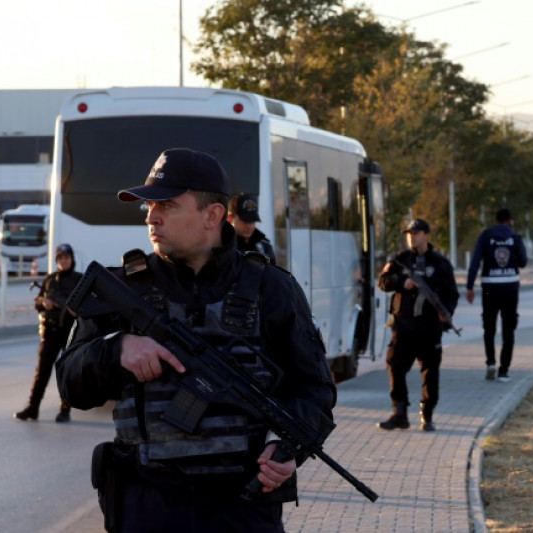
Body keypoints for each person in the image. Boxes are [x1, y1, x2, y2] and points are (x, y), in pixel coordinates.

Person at [56, 148, 336, 533]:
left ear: (212, 216)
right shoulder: (123, 288)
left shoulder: (272, 289)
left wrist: (286, 452)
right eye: (148, 206)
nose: (152, 216)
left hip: (241, 505)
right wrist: (115, 350)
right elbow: (70, 382)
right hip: (148, 503)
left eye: (167, 205)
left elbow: (315, 389)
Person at [376, 218, 459, 432]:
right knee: (395, 367)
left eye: (415, 233)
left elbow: (452, 294)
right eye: (409, 234)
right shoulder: (400, 261)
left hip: (429, 329)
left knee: (430, 374)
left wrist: (446, 312)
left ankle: (427, 414)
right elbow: (383, 282)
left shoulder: (440, 263)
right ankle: (400, 413)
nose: (411, 237)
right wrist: (401, 283)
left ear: (426, 235)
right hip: (403, 327)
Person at [14, 243, 81, 422]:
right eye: (60, 258)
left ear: (72, 260)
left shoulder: (79, 279)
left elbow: (88, 304)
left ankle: (65, 409)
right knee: (42, 372)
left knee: (66, 372)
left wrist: (73, 310)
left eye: (66, 258)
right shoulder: (50, 279)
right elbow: (38, 301)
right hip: (50, 330)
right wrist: (44, 302)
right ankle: (32, 408)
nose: (63, 261)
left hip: (70, 332)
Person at [466, 208, 528, 383]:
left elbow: (475, 262)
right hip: (510, 288)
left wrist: (470, 287)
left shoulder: (486, 236)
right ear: (510, 220)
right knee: (508, 329)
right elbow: (523, 262)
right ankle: (504, 371)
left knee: (489, 327)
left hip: (489, 288)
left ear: (495, 219)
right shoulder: (515, 238)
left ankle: (491, 363)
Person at [228, 192, 277, 264]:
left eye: (252, 220)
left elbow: (273, 274)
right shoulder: (223, 247)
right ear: (230, 218)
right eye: (244, 220)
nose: (249, 226)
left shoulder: (265, 247)